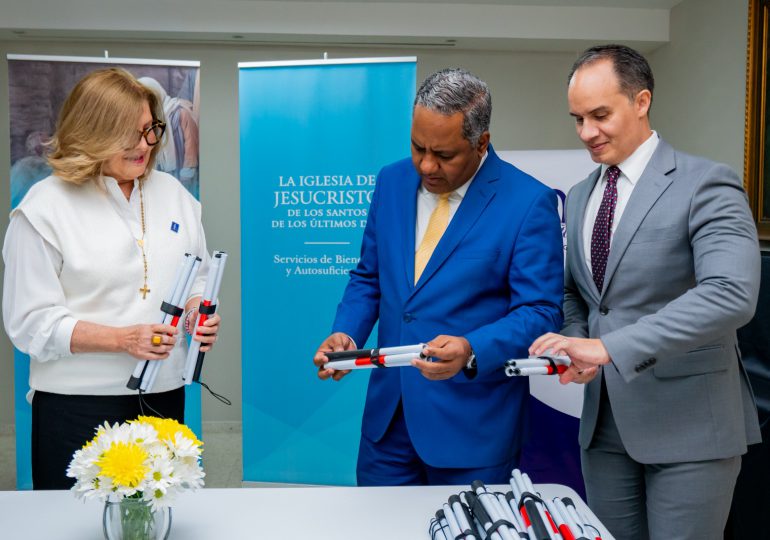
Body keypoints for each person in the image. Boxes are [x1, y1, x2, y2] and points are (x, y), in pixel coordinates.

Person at [529, 44, 761, 539]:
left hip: (692, 429)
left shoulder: (706, 183)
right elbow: (579, 293)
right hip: (604, 428)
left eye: (599, 115)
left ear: (641, 101)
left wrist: (610, 347)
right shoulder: (581, 193)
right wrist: (577, 343)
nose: (586, 133)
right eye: (577, 119)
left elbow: (731, 294)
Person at [313, 68, 564, 486]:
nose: (426, 165)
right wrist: (348, 336)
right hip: (387, 425)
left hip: (473, 429)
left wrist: (472, 348)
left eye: (444, 155)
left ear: (481, 143)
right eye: (417, 147)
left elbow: (540, 311)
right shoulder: (391, 182)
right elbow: (370, 277)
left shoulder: (528, 202)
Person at [2, 68, 220, 490]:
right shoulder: (43, 208)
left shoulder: (176, 197)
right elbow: (30, 323)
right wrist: (123, 339)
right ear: (91, 132)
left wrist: (197, 314)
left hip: (163, 395)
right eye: (128, 135)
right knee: (72, 526)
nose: (145, 146)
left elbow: (198, 276)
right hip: (75, 406)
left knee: (158, 522)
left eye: (149, 130)